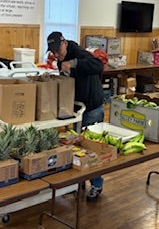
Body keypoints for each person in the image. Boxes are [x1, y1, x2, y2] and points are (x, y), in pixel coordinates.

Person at [47, 31, 105, 202]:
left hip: (92, 107)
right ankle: (79, 183)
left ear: (64, 43)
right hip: (76, 110)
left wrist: (73, 64)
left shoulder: (78, 53)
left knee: (91, 148)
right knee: (78, 148)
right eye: (53, 52)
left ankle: (96, 184)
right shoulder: (59, 58)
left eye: (58, 50)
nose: (57, 55)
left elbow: (98, 66)